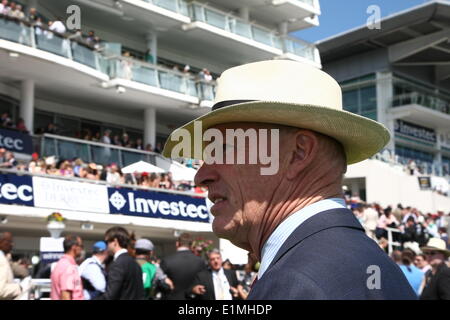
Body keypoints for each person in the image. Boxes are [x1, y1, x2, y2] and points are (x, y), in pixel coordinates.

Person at [162, 60, 417, 299]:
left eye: (225, 148)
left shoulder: (295, 282)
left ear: (298, 154)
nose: (201, 175)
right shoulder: (370, 263)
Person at [95, 227, 144, 300]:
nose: (106, 246)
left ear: (115, 241)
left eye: (107, 242)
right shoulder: (135, 264)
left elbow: (110, 296)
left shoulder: (118, 264)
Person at [160, 233, 206, 300]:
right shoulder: (200, 262)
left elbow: (159, 283)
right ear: (191, 245)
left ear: (177, 244)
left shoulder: (167, 261)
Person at [50, 235, 84, 300]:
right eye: (81, 246)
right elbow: (65, 296)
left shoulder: (61, 264)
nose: (82, 249)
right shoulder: (68, 267)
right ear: (74, 247)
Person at [0, 231, 26, 299]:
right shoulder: (1, 261)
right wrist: (19, 287)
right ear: (1, 242)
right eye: (9, 242)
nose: (12, 244)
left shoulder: (4, 258)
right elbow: (1, 291)